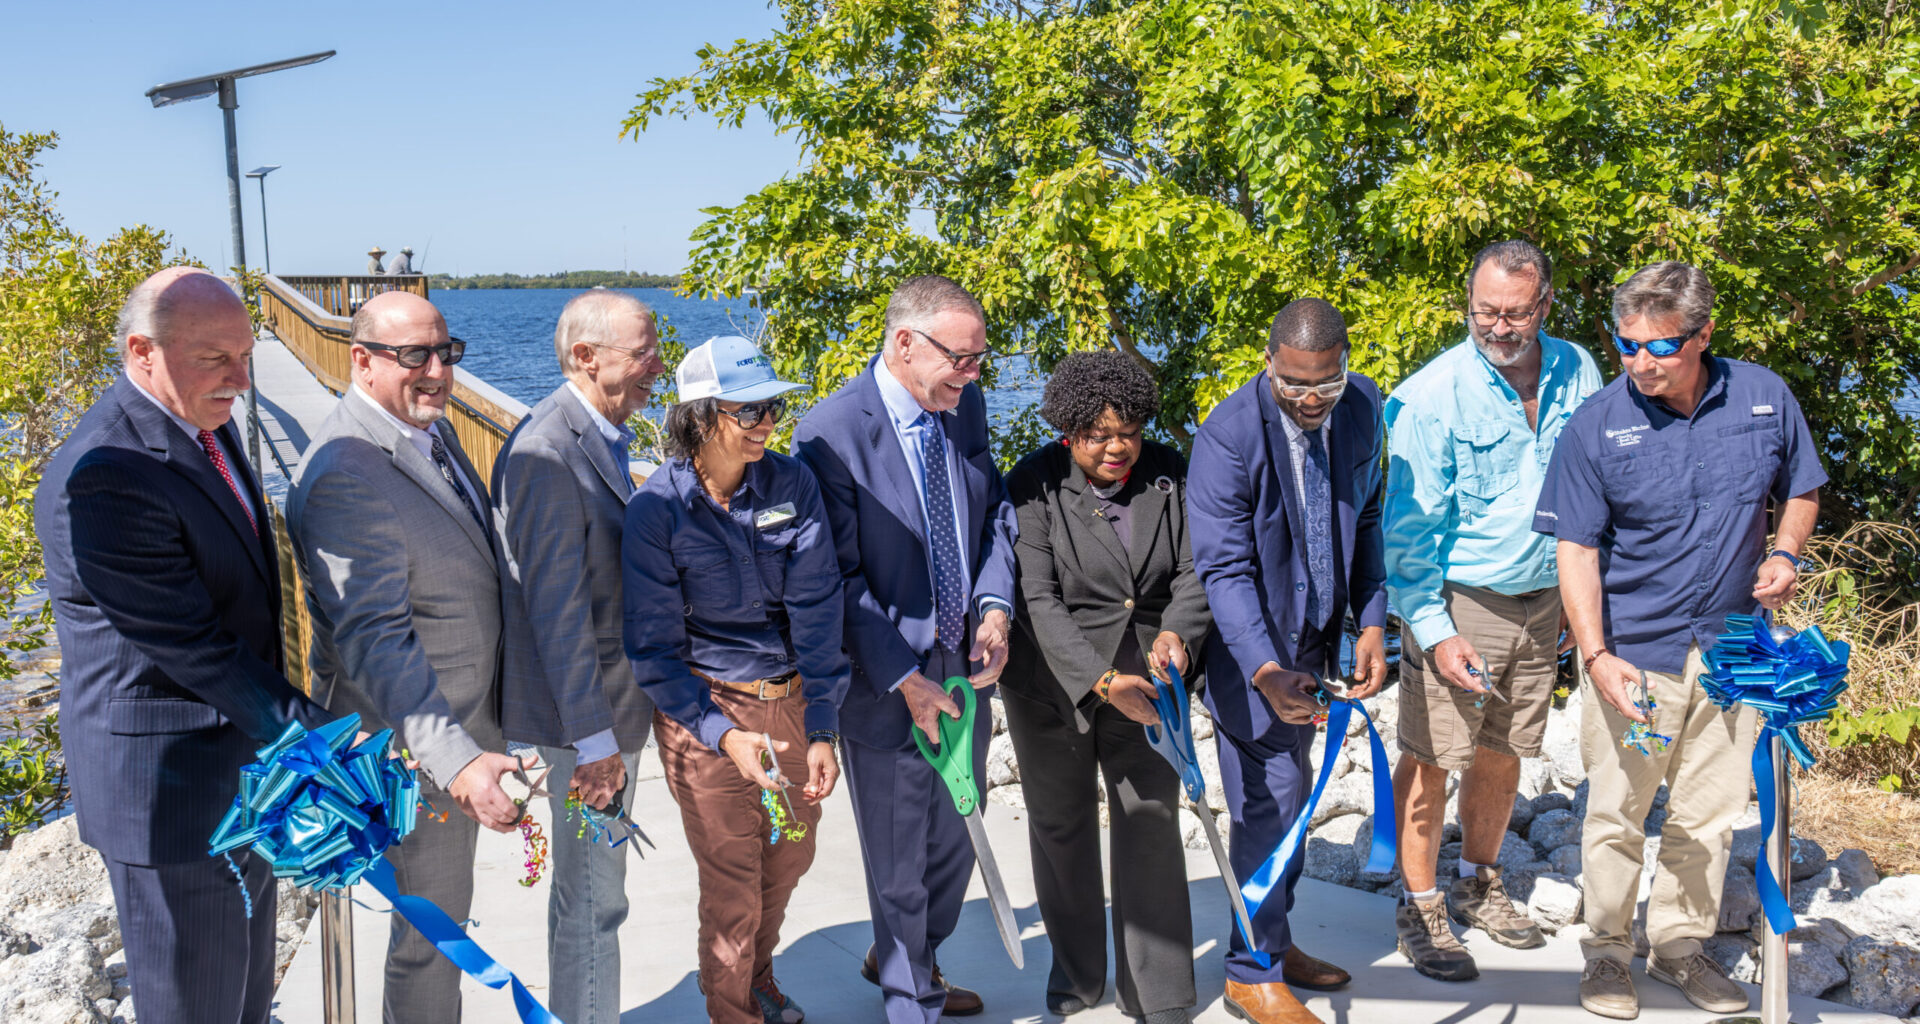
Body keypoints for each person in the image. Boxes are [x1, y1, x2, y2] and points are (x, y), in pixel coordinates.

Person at [35, 267, 332, 1024]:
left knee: (244, 1003)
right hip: (171, 798)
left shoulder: (205, 418)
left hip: (242, 774)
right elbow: (192, 644)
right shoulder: (107, 473)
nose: (240, 378)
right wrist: (325, 744)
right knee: (196, 1010)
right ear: (143, 351)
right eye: (215, 358)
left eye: (246, 354)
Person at [1535, 261, 1825, 1019]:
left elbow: (1802, 485)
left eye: (1659, 347)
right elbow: (1576, 551)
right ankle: (1604, 955)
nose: (1639, 363)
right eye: (1626, 345)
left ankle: (1677, 948)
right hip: (1636, 659)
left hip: (1733, 654)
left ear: (1704, 335)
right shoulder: (1596, 424)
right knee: (1616, 815)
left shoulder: (1764, 397)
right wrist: (1594, 657)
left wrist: (1786, 552)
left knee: (1708, 813)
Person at [287, 290, 524, 1024]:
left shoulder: (428, 430)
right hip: (412, 752)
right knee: (432, 936)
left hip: (464, 726)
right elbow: (374, 638)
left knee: (443, 926)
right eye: (412, 356)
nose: (436, 373)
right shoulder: (345, 472)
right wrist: (455, 759)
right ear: (360, 360)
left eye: (444, 353)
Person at [793, 275, 1017, 1024]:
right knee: (897, 860)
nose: (974, 374)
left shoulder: (965, 404)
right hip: (888, 678)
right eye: (962, 358)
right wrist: (904, 678)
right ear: (903, 343)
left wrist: (993, 609)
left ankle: (910, 954)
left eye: (980, 360)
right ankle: (910, 998)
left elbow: (994, 519)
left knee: (957, 834)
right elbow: (836, 579)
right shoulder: (829, 434)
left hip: (964, 661)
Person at [1380, 240, 1604, 980]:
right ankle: (1419, 905)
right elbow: (1406, 537)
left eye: (1515, 313)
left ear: (1546, 304)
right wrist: (1435, 632)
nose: (1499, 327)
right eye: (1485, 312)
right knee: (1431, 755)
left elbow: (1599, 486)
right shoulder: (1430, 397)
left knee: (1505, 750)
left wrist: (1584, 599)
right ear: (1467, 304)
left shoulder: (1580, 369)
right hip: (1462, 598)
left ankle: (1480, 882)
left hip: (1549, 596)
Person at [624, 335, 851, 1024]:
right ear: (699, 415)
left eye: (772, 408)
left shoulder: (793, 483)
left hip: (791, 702)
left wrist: (821, 727)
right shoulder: (656, 510)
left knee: (788, 859)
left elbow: (817, 606)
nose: (764, 425)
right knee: (732, 885)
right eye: (747, 411)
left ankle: (754, 976)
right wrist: (723, 736)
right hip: (705, 708)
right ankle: (735, 1011)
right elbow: (654, 652)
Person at [1187, 297, 1390, 1024]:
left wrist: (1371, 621)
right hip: (1253, 657)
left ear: (1344, 369)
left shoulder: (1364, 405)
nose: (1309, 401)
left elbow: (1366, 516)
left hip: (1318, 644)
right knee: (1267, 804)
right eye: (1294, 385)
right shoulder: (1226, 435)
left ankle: (1274, 938)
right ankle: (1250, 971)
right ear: (1269, 360)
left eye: (1324, 387)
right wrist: (1266, 670)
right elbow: (1224, 569)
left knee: (1296, 801)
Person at [1003, 350, 1212, 1024]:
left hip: (1151, 684)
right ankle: (1076, 981)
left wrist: (1177, 632)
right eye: (1098, 434)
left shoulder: (1169, 476)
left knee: (1149, 822)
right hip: (1051, 686)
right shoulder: (1031, 484)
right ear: (1069, 432)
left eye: (1128, 431)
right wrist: (1098, 679)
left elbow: (1195, 572)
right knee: (1061, 830)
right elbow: (1035, 599)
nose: (1117, 447)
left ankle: (1159, 994)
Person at [494, 290, 666, 1024]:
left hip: (602, 717)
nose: (659, 365)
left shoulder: (595, 433)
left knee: (595, 896)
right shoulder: (544, 453)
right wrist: (596, 746)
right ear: (584, 358)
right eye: (644, 351)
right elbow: (556, 616)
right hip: (584, 729)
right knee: (595, 900)